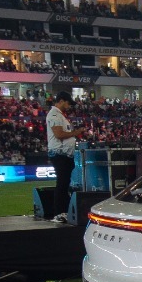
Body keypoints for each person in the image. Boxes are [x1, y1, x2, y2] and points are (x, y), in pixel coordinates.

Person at [45, 92, 86, 222]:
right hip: (59, 153)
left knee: (64, 183)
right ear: (62, 101)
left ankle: (63, 211)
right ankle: (59, 213)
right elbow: (59, 134)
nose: (69, 106)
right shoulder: (55, 115)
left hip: (64, 153)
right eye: (68, 103)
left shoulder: (60, 115)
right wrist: (76, 132)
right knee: (62, 184)